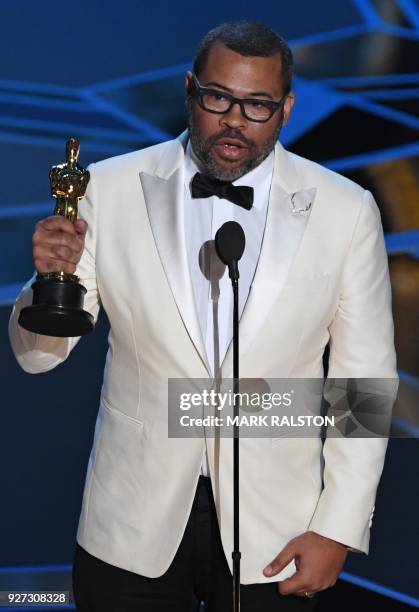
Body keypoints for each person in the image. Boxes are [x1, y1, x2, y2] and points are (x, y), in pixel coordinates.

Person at [9, 21, 397, 612]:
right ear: (191, 89)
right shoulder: (110, 190)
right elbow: (40, 356)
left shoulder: (346, 211)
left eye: (258, 105)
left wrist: (339, 527)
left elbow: (362, 384)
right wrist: (47, 279)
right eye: (219, 98)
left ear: (287, 107)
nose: (235, 121)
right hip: (129, 524)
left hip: (277, 530)